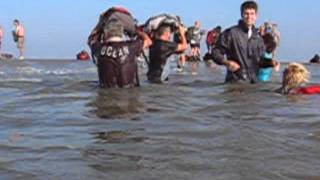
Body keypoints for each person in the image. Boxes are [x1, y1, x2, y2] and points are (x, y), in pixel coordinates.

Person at [212, 1, 279, 83]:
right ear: (241, 15)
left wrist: (271, 63)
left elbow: (260, 61)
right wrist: (226, 62)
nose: (249, 17)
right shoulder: (231, 33)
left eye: (252, 14)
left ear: (256, 16)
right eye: (246, 13)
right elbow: (215, 52)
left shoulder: (258, 38)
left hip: (253, 84)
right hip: (235, 83)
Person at [92, 19, 152, 88]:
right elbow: (148, 41)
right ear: (121, 32)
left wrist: (99, 27)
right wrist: (136, 30)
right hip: (130, 94)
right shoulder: (133, 46)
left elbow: (92, 39)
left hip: (107, 94)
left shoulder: (98, 47)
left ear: (105, 33)